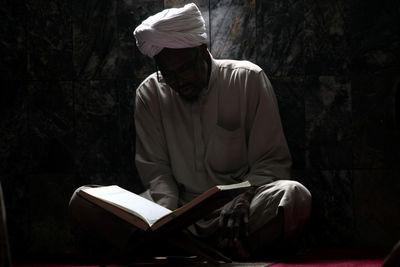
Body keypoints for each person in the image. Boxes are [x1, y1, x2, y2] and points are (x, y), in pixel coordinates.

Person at [69, 3, 311, 261]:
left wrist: (242, 196)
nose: (178, 81)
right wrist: (164, 220)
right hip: (176, 214)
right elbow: (157, 172)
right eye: (167, 74)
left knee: (293, 195)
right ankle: (195, 247)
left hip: (238, 212)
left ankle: (174, 250)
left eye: (184, 69)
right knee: (83, 201)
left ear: (203, 53)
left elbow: (271, 162)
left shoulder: (247, 79)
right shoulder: (150, 93)